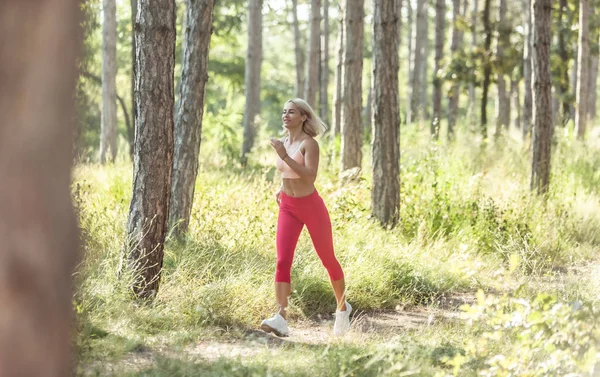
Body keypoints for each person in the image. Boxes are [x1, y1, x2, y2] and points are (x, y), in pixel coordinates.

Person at [260, 98, 351, 337]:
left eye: (292, 112)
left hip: (310, 206)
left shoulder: (309, 144)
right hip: (288, 207)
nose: (286, 115)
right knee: (282, 261)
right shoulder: (285, 142)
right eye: (284, 111)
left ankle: (342, 308)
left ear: (303, 117)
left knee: (327, 257)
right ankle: (281, 317)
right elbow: (286, 172)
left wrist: (284, 155)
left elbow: (310, 177)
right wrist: (282, 187)